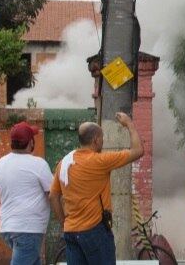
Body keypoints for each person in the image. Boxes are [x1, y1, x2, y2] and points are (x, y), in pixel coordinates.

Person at [49, 112, 144, 265]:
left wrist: (64, 223)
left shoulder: (64, 163)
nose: (103, 142)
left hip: (71, 233)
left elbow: (53, 196)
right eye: (102, 138)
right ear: (96, 140)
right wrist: (129, 124)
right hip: (95, 232)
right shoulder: (100, 161)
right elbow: (138, 150)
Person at [0, 121, 53, 265]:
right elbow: (53, 193)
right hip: (28, 229)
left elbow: (0, 194)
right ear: (30, 142)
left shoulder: (0, 163)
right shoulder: (38, 164)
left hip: (7, 226)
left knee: (33, 260)